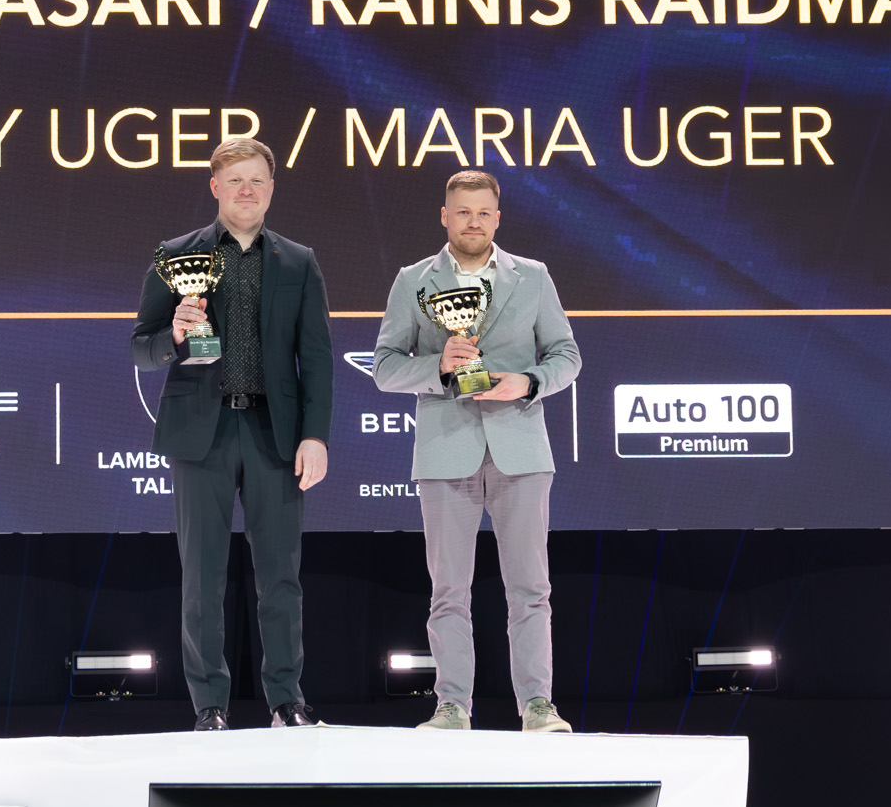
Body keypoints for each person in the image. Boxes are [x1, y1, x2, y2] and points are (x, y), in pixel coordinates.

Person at [131, 136, 335, 729]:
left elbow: (316, 358)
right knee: (202, 576)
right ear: (215, 187)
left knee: (281, 576)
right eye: (236, 180)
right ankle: (210, 706)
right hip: (203, 432)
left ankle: (286, 700)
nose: (247, 190)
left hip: (275, 433)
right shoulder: (176, 255)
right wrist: (173, 334)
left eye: (257, 180)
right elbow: (141, 346)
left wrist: (315, 435)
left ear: (271, 189)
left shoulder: (298, 261)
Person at [372, 169, 582, 731]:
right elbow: (385, 367)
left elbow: (566, 355)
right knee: (448, 592)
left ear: (497, 217)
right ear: (445, 216)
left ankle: (537, 706)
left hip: (520, 449)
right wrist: (438, 367)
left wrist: (529, 382)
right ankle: (452, 706)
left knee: (531, 589)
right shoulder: (413, 281)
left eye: (483, 212)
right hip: (446, 451)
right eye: (463, 212)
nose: (474, 222)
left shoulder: (533, 276)